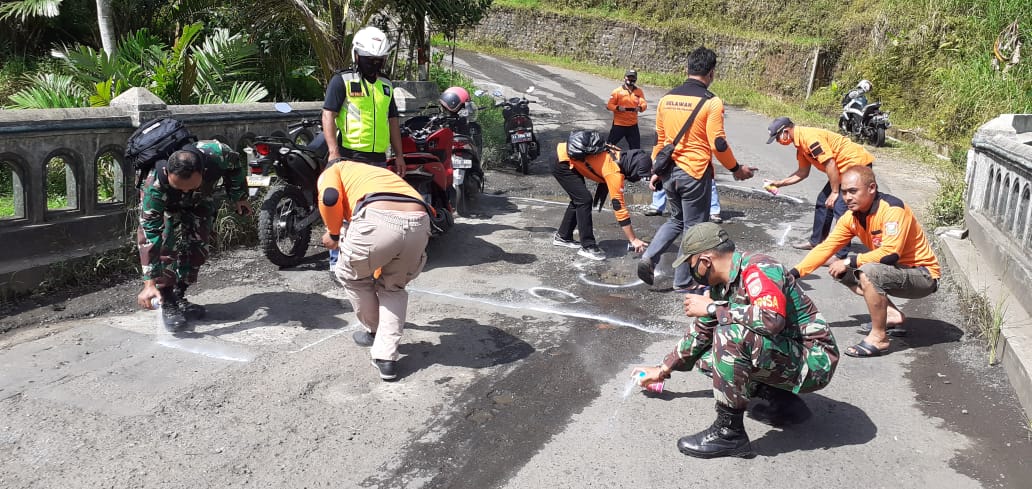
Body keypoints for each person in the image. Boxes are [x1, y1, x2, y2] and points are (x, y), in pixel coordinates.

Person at [636, 222, 838, 458]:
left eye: (691, 265)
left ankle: (729, 433)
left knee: (729, 335)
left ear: (705, 261)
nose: (692, 273)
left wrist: (713, 308)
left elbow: (772, 320)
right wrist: (662, 369)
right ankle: (785, 404)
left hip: (815, 359)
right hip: (789, 352)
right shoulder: (721, 287)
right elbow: (700, 333)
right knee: (708, 357)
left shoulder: (759, 269)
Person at [789, 165, 940, 358]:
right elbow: (825, 248)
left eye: (853, 191)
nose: (847, 197)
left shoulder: (893, 209)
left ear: (872, 188)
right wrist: (794, 274)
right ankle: (893, 315)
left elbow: (890, 255)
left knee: (866, 270)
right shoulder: (851, 218)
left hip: (923, 276)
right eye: (844, 192)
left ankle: (879, 338)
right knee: (843, 272)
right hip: (895, 272)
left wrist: (849, 260)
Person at [637, 46, 755, 288]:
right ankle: (684, 281)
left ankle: (649, 257)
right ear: (711, 73)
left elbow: (661, 140)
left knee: (676, 220)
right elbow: (718, 144)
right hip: (694, 173)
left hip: (669, 172)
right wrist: (736, 169)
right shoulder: (712, 103)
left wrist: (656, 171)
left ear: (687, 69)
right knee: (693, 228)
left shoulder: (666, 98)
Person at [317, 160, 432, 381]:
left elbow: (329, 196)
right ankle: (386, 358)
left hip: (377, 218)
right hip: (419, 220)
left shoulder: (333, 170)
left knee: (352, 276)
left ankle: (374, 332)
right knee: (393, 287)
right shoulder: (375, 173)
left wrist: (333, 234)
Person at [136, 142, 251, 330]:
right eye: (180, 187)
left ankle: (179, 294)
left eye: (190, 186)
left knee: (199, 247)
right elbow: (149, 236)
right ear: (167, 174)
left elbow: (235, 166)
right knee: (164, 245)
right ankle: (167, 300)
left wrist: (239, 195)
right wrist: (149, 284)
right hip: (167, 205)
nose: (185, 191)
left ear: (202, 171)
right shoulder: (154, 185)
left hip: (199, 200)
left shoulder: (217, 154)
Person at [321, 25, 407, 276]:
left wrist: (399, 155)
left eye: (379, 61)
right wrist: (333, 152)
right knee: (344, 211)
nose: (375, 65)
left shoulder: (386, 86)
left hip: (378, 160)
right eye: (370, 60)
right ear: (357, 56)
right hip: (349, 157)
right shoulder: (342, 81)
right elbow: (328, 115)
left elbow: (393, 122)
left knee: (374, 213)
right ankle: (336, 259)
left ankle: (369, 261)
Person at [764, 117, 874, 257]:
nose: (779, 142)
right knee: (823, 202)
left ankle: (840, 255)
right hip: (841, 170)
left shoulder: (810, 139)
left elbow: (830, 164)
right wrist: (779, 183)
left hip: (856, 165)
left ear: (785, 131)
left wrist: (835, 192)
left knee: (840, 207)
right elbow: (803, 172)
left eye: (777, 138)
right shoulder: (800, 145)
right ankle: (817, 242)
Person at [552, 130, 651, 260]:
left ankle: (563, 236)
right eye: (639, 176)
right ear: (633, 170)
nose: (638, 179)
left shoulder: (621, 155)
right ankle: (587, 246)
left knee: (579, 199)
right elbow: (619, 208)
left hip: (565, 155)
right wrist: (633, 239)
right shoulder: (614, 173)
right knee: (584, 200)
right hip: (562, 162)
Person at [644, 181, 723, 223]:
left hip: (698, 155)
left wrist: (733, 167)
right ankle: (657, 206)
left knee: (708, 178)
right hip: (673, 153)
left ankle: (713, 210)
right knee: (663, 171)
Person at [606, 69, 647, 150]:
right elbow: (609, 105)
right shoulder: (617, 91)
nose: (630, 80)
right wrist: (617, 108)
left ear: (635, 79)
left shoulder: (639, 91)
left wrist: (640, 108)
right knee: (608, 146)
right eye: (628, 77)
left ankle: (634, 162)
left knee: (636, 150)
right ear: (624, 78)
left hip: (632, 126)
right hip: (619, 125)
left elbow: (644, 103)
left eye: (632, 78)